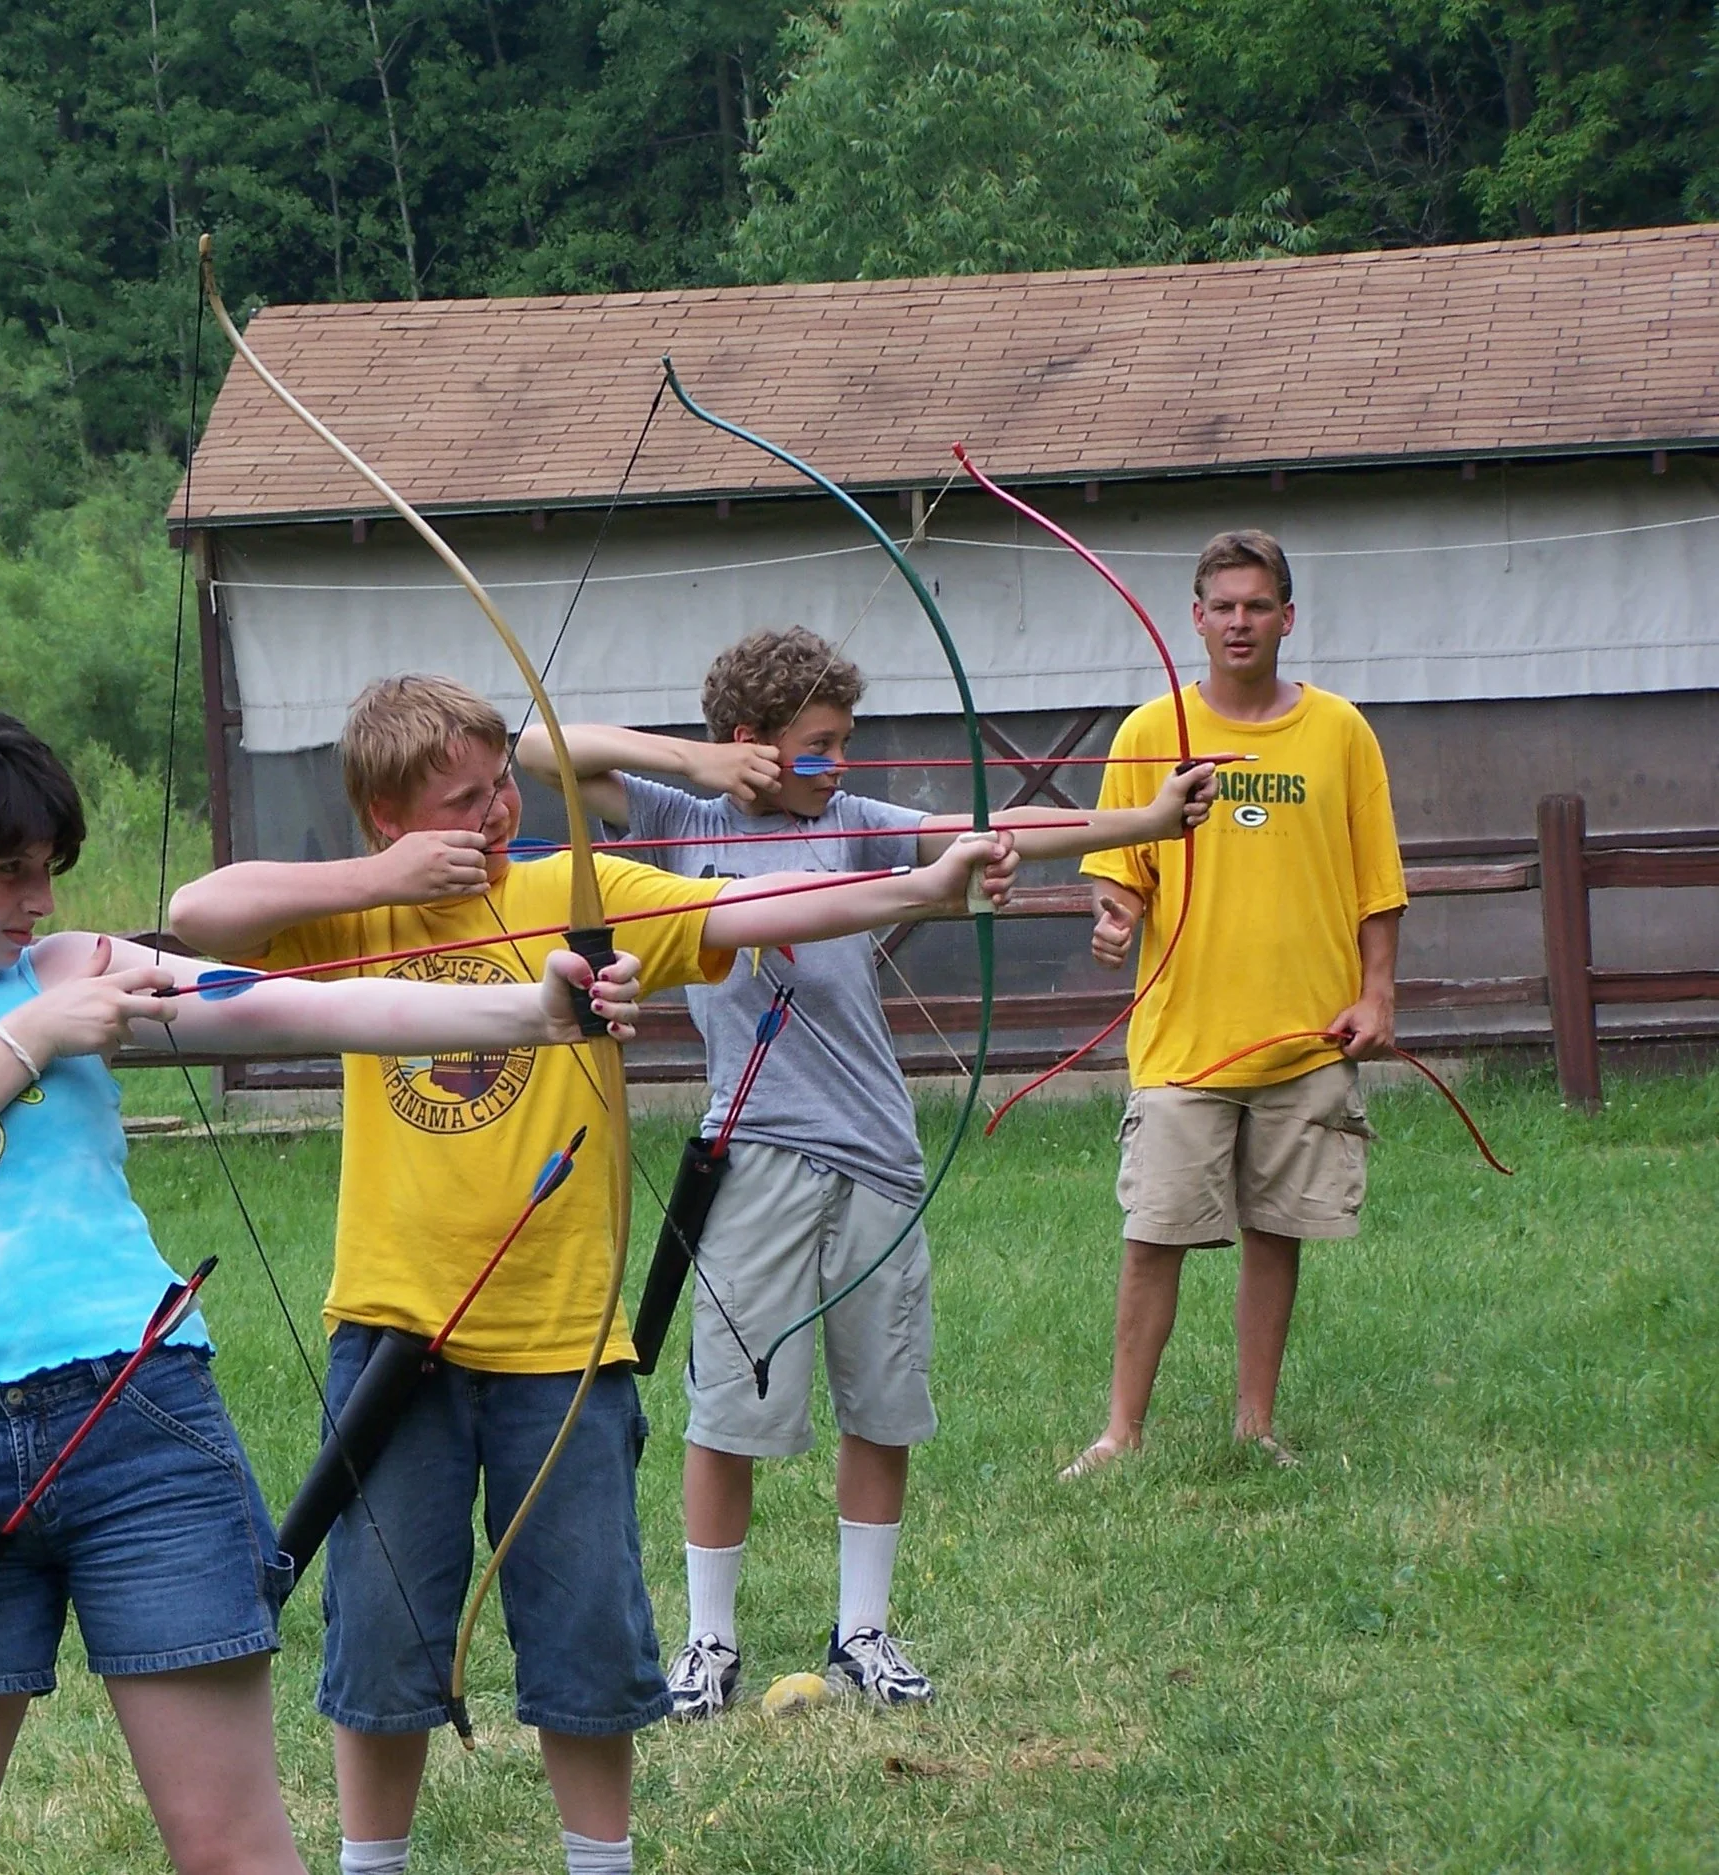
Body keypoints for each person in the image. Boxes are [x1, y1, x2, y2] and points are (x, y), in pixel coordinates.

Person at [0, 698, 648, 1875]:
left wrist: (532, 1012)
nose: (42, 903)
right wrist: (32, 1036)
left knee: (231, 1848)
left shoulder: (72, 968)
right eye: (8, 874)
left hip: (140, 1428)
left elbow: (310, 1004)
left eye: (50, 872)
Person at [168, 674, 1028, 1875]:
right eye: (453, 805)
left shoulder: (579, 897)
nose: (487, 821)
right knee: (381, 1634)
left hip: (565, 1341)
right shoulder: (354, 916)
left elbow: (759, 906)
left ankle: (599, 1861)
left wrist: (923, 883)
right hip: (393, 1327)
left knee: (584, 1635)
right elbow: (197, 910)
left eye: (495, 792)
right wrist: (385, 882)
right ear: (382, 817)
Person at [522, 626, 1218, 1721]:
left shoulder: (854, 825)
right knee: (728, 1413)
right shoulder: (678, 822)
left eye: (846, 742)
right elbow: (533, 748)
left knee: (881, 1405)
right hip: (752, 1153)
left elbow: (998, 830)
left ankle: (864, 1634)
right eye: (819, 744)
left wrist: (1145, 821)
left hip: (877, 1156)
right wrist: (701, 766)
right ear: (752, 744)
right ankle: (707, 1646)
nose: (841, 763)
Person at [1062, 530, 1408, 1479]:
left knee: (1276, 1231)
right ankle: (1120, 1432)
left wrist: (1376, 995)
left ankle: (1256, 1425)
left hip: (1306, 1037)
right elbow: (1120, 871)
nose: (1241, 621)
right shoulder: (1149, 734)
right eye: (1224, 605)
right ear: (1197, 618)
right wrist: (1113, 918)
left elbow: (1378, 883)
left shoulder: (1340, 731)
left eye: (1259, 605)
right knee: (1154, 1234)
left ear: (1287, 618)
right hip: (1184, 1042)